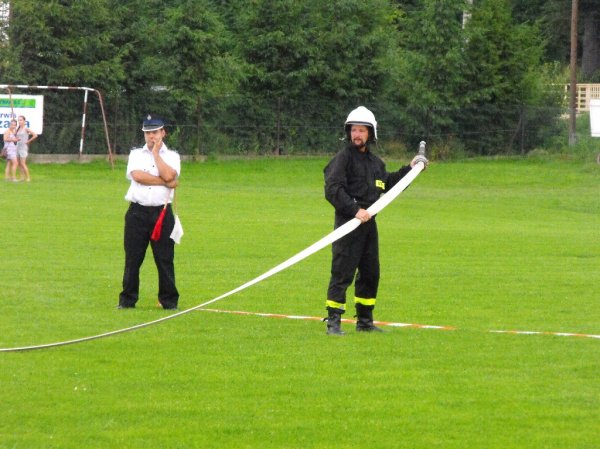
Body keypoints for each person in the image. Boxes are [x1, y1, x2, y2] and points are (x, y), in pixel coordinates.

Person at [323, 106, 428, 335]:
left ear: (370, 134)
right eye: (353, 130)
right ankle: (333, 322)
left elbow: (388, 185)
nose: (356, 135)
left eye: (361, 130)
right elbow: (332, 189)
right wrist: (355, 210)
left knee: (371, 273)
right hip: (348, 225)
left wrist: (411, 170)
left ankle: (365, 322)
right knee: (342, 273)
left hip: (369, 227)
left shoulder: (376, 164)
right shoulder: (342, 159)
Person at [118, 115, 181, 310]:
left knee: (164, 259)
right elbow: (138, 176)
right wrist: (165, 181)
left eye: (154, 132)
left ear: (163, 133)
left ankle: (168, 301)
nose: (151, 136)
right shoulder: (135, 154)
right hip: (138, 213)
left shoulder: (172, 156)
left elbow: (171, 174)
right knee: (133, 259)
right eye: (147, 133)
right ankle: (127, 301)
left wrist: (156, 155)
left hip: (162, 213)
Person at [15, 115, 37, 182]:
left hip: (23, 148)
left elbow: (35, 135)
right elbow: (16, 138)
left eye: (21, 120)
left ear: (24, 121)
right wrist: (16, 139)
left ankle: (28, 178)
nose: (19, 121)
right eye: (18, 120)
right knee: (18, 164)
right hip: (17, 147)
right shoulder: (18, 129)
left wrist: (28, 141)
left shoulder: (26, 129)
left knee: (23, 163)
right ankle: (22, 177)